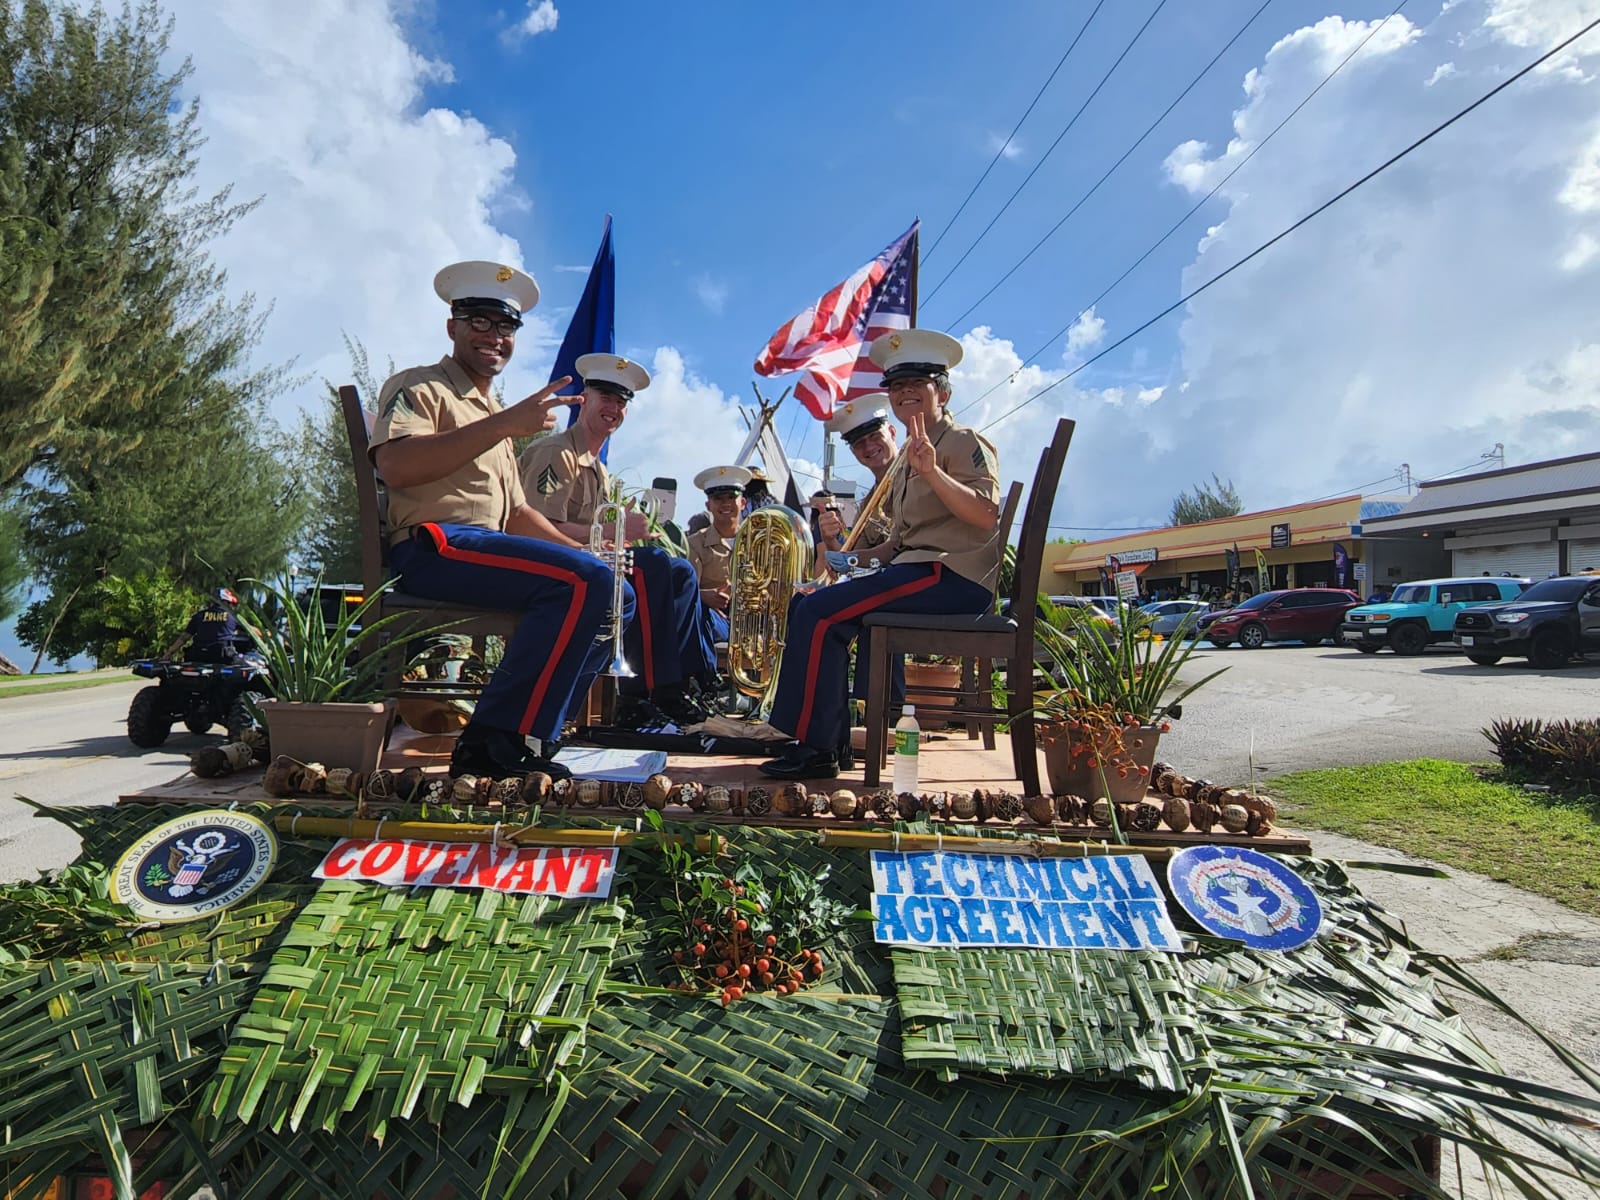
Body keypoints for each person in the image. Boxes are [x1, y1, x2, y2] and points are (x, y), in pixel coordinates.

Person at [371, 260, 628, 781]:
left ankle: (535, 736)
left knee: (617, 590)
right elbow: (396, 465)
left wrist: (582, 552)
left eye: (505, 326)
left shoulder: (494, 414)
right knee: (582, 585)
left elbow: (518, 513)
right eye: (480, 321)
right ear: (453, 327)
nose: (494, 336)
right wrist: (507, 423)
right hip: (434, 545)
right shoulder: (421, 387)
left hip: (480, 547)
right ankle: (491, 741)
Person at [760, 329, 1001, 780]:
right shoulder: (910, 456)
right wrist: (851, 561)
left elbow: (986, 515)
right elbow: (899, 545)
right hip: (921, 569)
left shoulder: (960, 441)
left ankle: (816, 749)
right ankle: (829, 743)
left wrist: (934, 472)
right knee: (810, 605)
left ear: (942, 392)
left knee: (820, 612)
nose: (905, 392)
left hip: (951, 575)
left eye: (917, 384)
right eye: (896, 387)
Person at [517, 354, 716, 727]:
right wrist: (614, 531)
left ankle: (692, 680)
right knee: (653, 565)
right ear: (584, 399)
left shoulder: (599, 468)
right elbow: (532, 525)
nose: (614, 408)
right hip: (551, 562)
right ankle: (647, 692)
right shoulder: (556, 454)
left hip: (587, 558)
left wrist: (618, 533)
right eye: (606, 397)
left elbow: (599, 533)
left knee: (681, 572)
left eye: (622, 401)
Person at [686, 465, 751, 645]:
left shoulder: (759, 542)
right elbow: (687, 591)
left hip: (755, 622)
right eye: (718, 499)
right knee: (700, 617)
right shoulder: (695, 544)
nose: (725, 504)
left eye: (731, 497)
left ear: (742, 503)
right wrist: (704, 596)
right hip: (716, 621)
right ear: (709, 505)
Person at [166, 588, 247, 663]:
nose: (232, 607)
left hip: (198, 656)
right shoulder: (232, 616)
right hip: (222, 658)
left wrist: (168, 654)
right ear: (226, 602)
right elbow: (253, 632)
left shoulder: (199, 616)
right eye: (231, 604)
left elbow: (184, 638)